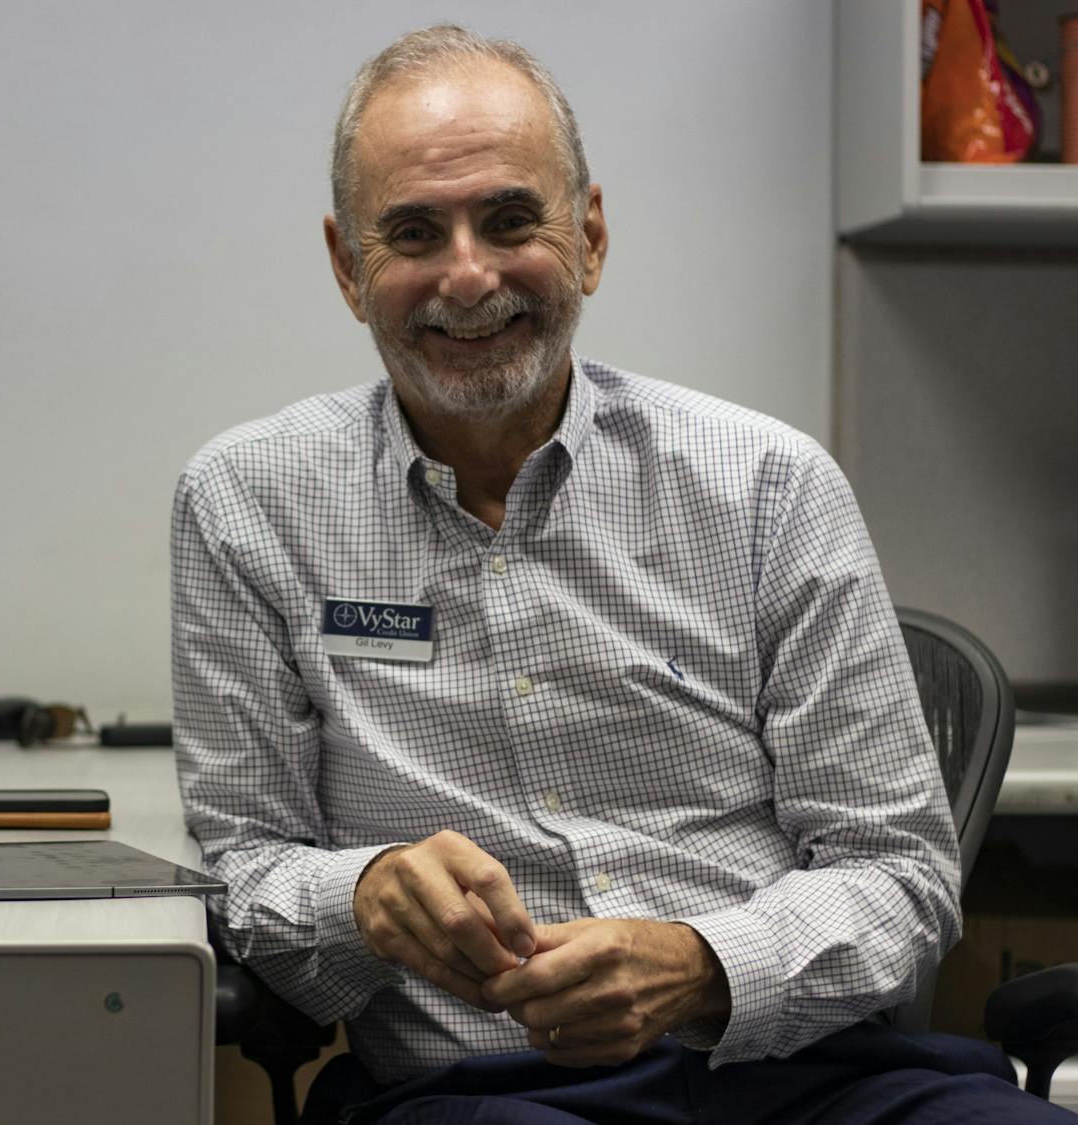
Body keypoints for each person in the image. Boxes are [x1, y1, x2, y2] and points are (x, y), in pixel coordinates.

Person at [171, 25, 1071, 1124]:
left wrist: (703, 964)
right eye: (413, 233)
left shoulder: (767, 485)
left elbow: (903, 879)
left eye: (512, 220)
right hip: (484, 1093)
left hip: (810, 1082)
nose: (468, 273)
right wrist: (358, 896)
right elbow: (245, 870)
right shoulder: (247, 506)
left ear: (590, 238)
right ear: (347, 268)